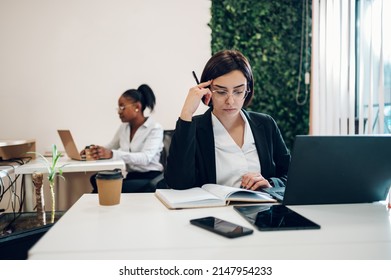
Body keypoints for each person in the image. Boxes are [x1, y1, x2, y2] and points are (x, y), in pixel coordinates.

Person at [164, 50, 290, 191]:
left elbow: (290, 174)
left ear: (248, 89)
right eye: (221, 92)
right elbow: (177, 183)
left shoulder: (266, 124)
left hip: (262, 211)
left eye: (238, 91)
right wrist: (187, 112)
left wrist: (270, 184)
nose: (230, 101)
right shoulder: (194, 129)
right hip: (212, 211)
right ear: (207, 89)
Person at [84, 84, 164, 193]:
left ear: (137, 107)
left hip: (150, 177)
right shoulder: (124, 127)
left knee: (107, 187)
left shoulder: (155, 128)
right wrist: (94, 150)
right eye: (118, 107)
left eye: (122, 107)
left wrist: (112, 154)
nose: (119, 111)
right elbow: (111, 146)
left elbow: (145, 158)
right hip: (131, 176)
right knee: (96, 179)